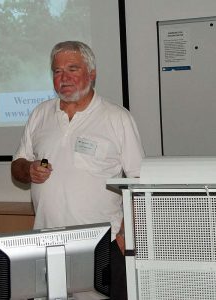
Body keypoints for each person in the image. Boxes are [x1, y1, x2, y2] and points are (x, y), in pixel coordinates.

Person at [11, 41, 144, 300]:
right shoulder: (40, 114)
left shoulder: (117, 118)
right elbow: (17, 165)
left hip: (101, 244)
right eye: (57, 71)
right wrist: (28, 169)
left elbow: (139, 181)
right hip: (46, 243)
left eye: (72, 69)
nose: (64, 78)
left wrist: (127, 233)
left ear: (92, 73)